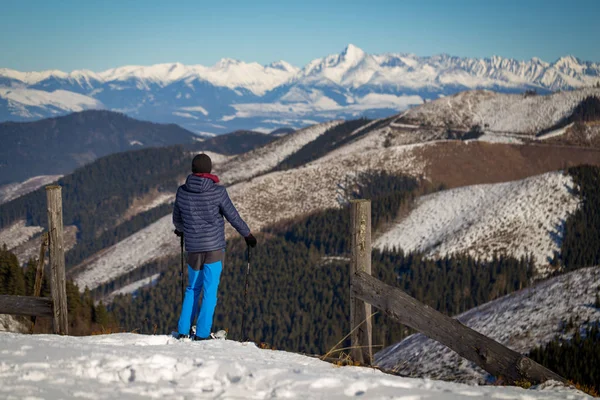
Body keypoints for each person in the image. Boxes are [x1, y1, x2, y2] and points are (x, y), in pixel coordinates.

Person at [173, 153, 257, 340]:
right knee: (210, 291)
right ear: (209, 170)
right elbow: (233, 216)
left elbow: (177, 221)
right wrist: (247, 235)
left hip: (193, 249)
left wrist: (182, 230)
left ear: (193, 170)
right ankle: (202, 334)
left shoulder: (182, 191)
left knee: (192, 288)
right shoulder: (218, 192)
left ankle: (183, 331)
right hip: (214, 249)